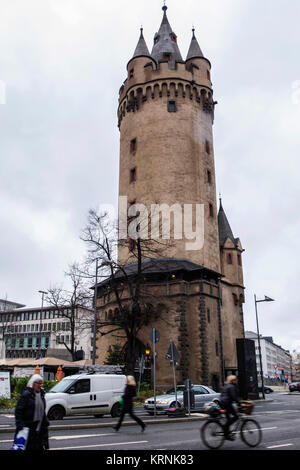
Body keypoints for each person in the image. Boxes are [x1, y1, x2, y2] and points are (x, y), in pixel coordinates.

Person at [14, 374, 49, 451]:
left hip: (39, 430)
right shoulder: (26, 395)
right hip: (27, 430)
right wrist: (20, 425)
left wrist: (46, 423)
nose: (40, 385)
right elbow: (18, 411)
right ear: (32, 383)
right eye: (38, 383)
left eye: (41, 383)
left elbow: (42, 412)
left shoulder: (41, 395)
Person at [219, 375, 240, 440]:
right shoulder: (231, 387)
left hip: (222, 403)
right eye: (235, 380)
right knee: (236, 416)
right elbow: (234, 397)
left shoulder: (226, 386)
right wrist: (239, 403)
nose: (237, 381)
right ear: (232, 380)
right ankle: (225, 429)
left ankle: (227, 434)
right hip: (226, 403)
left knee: (228, 419)